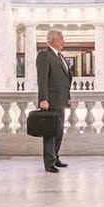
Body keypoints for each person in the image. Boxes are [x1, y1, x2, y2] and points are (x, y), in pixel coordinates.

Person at [36, 29, 72, 173]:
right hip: (50, 101)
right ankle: (49, 163)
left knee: (59, 132)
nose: (63, 41)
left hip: (61, 100)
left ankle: (55, 157)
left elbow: (65, 80)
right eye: (61, 38)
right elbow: (42, 79)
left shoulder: (60, 56)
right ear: (51, 40)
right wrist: (43, 99)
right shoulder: (44, 55)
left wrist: (68, 97)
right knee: (50, 132)